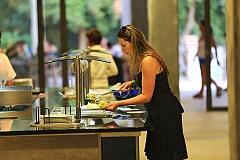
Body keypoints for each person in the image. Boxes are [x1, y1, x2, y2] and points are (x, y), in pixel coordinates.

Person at [102, 25, 188, 160]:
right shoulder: (145, 57)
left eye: (124, 45)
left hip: (164, 112)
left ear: (134, 42)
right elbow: (152, 78)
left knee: (164, 154)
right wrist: (134, 82)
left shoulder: (148, 60)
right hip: (158, 111)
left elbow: (146, 96)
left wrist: (118, 104)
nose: (122, 50)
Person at [193, 20, 222, 98]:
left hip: (206, 57)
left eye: (201, 26)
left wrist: (217, 58)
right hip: (200, 57)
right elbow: (199, 47)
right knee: (205, 76)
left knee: (205, 76)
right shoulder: (201, 36)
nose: (199, 27)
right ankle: (217, 88)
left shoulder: (208, 36)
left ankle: (201, 92)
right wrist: (196, 55)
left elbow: (214, 46)